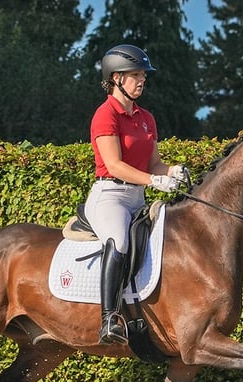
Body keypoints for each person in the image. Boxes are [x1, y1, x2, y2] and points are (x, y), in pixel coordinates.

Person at [84, 44, 186, 345]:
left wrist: (173, 170)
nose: (142, 80)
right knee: (120, 240)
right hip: (110, 196)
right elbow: (114, 164)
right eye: (135, 75)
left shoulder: (146, 118)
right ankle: (108, 318)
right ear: (116, 78)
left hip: (138, 197)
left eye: (143, 75)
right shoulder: (105, 115)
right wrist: (154, 180)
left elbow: (155, 163)